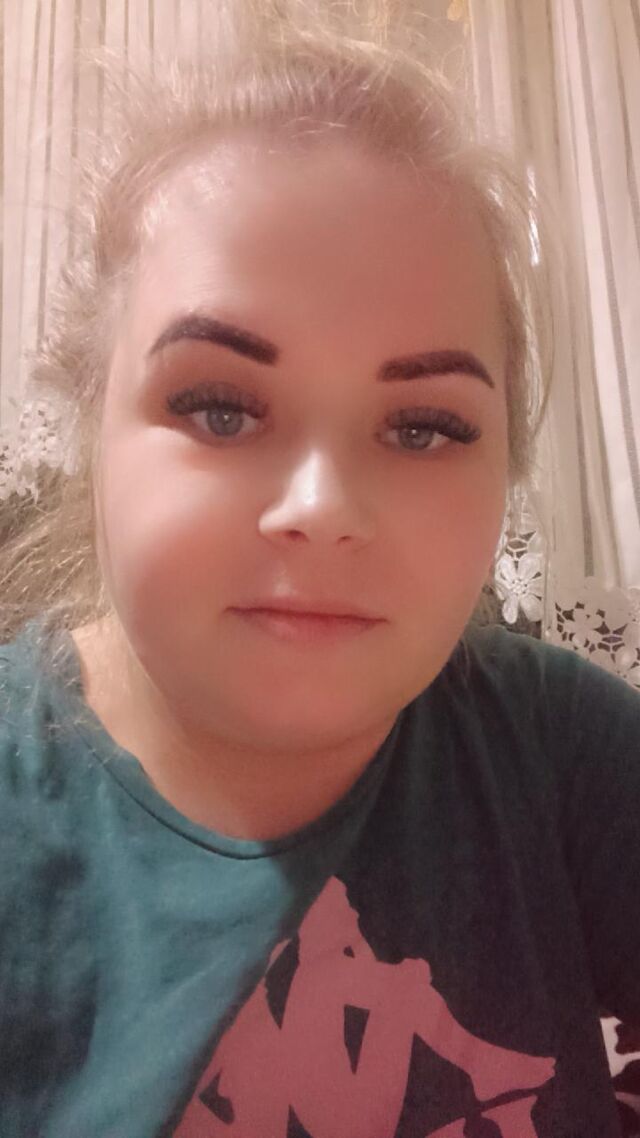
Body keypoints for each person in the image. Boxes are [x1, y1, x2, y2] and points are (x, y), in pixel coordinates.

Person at [0, 8, 638, 1138]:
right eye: (221, 407)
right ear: (90, 424)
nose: (323, 509)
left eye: (423, 427)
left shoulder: (563, 749)